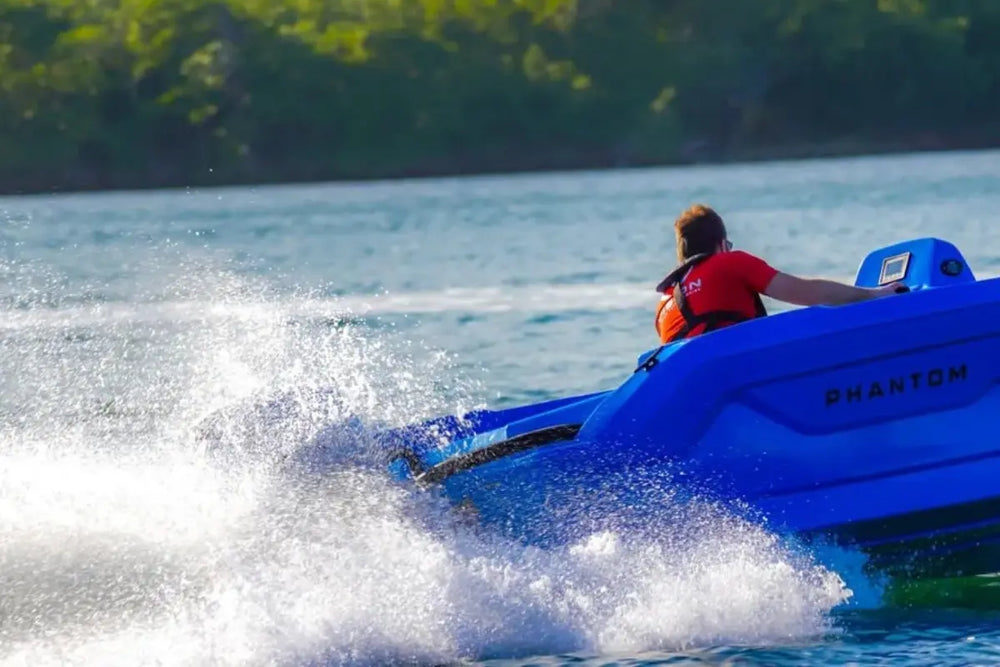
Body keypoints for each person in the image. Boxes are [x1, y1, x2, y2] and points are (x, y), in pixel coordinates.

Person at [655, 204, 904, 344]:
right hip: (726, 371)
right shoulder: (729, 263)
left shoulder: (666, 301)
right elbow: (809, 293)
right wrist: (875, 294)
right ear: (721, 245)